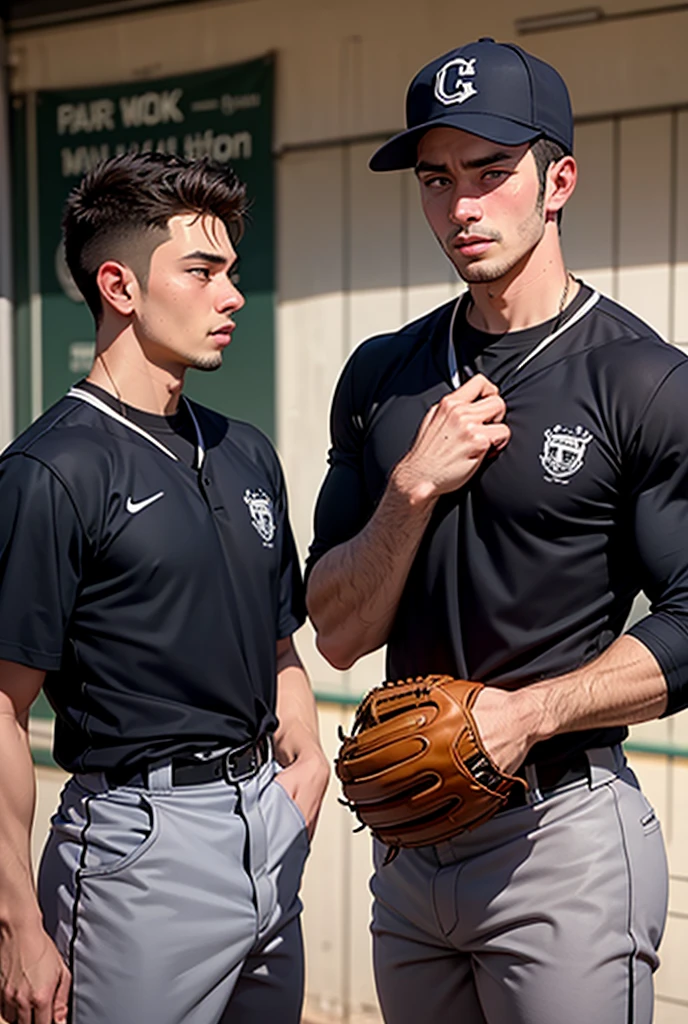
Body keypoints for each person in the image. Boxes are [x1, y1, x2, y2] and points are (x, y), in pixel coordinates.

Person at [305, 37, 688, 1024]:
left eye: (489, 172)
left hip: (557, 836)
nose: (460, 206)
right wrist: (411, 488)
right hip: (408, 840)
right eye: (436, 179)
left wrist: (528, 716)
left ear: (559, 181)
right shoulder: (383, 375)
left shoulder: (642, 379)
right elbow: (337, 632)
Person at [0, 152, 329, 1024]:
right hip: (138, 855)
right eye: (202, 272)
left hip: (269, 832)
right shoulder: (51, 470)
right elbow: (2, 707)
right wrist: (17, 922)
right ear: (120, 286)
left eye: (232, 272)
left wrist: (306, 752)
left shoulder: (245, 449)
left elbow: (278, 640)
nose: (233, 296)